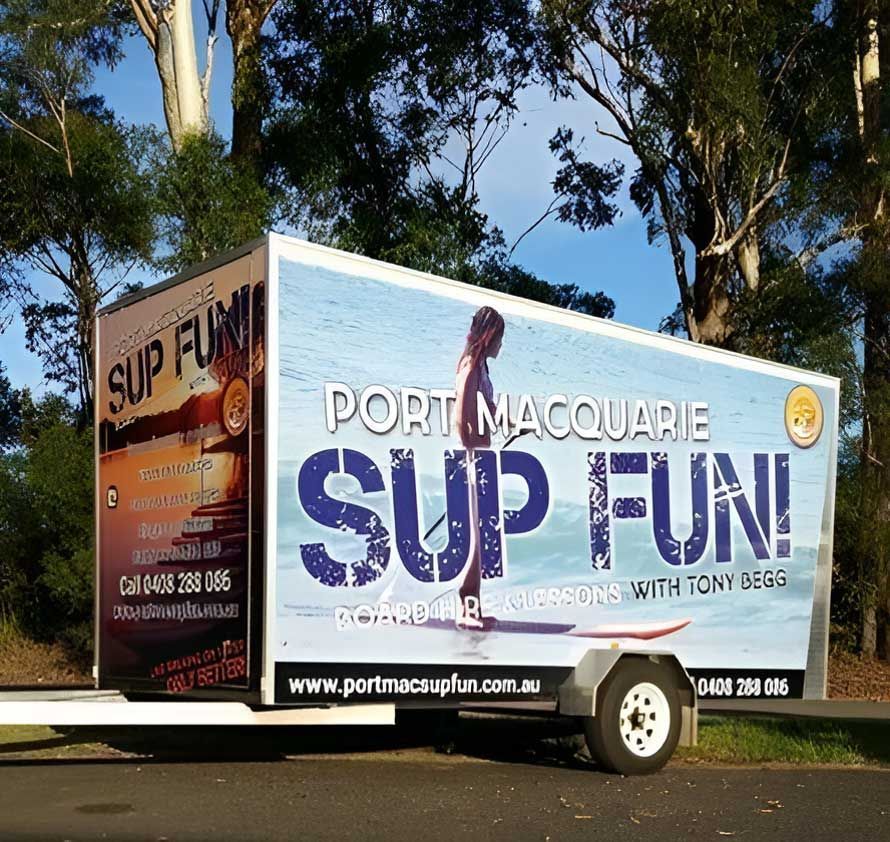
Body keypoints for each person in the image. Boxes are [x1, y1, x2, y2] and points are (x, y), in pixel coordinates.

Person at [453, 306, 505, 629]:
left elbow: (490, 411)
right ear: (489, 336)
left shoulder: (483, 368)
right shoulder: (471, 366)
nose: (502, 345)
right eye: (500, 338)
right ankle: (466, 607)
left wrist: (516, 423)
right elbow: (461, 414)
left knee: (480, 540)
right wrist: (469, 448)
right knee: (473, 542)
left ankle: (475, 604)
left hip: (480, 460)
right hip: (469, 461)